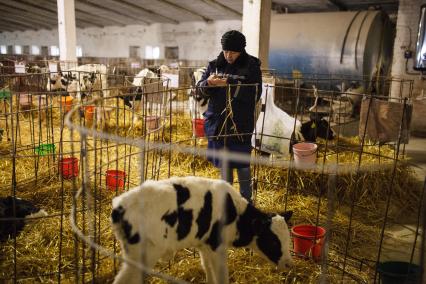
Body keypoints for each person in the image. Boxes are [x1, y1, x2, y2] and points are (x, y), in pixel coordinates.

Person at [197, 30, 262, 202]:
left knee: (242, 165)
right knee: (224, 166)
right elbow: (199, 90)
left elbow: (255, 93)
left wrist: (229, 83)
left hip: (239, 124)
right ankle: (228, 203)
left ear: (241, 50)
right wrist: (208, 83)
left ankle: (247, 202)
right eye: (225, 51)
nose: (228, 56)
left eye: (232, 52)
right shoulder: (215, 65)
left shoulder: (251, 66)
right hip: (218, 124)